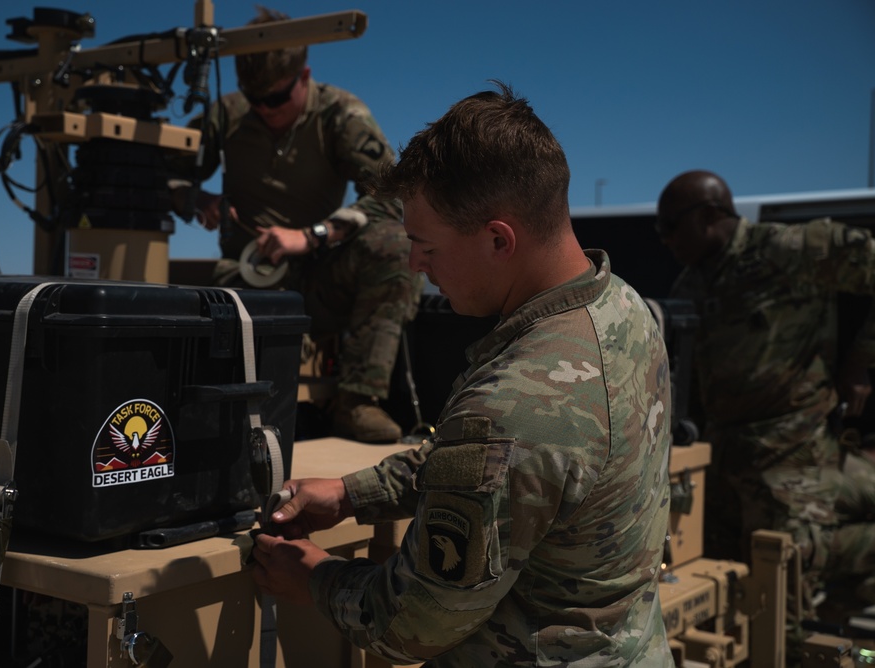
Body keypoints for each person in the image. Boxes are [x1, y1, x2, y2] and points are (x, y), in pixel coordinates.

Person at [249, 82, 675, 666]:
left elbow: (414, 625)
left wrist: (315, 577)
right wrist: (353, 494)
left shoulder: (516, 401)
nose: (416, 267)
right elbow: (494, 462)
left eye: (425, 246)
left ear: (499, 240)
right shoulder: (624, 308)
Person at [175, 7, 422, 443]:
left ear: (303, 76)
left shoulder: (340, 115)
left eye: (274, 98)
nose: (263, 109)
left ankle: (356, 402)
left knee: (397, 248)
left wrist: (312, 237)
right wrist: (195, 196)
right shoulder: (227, 114)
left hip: (319, 277)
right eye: (254, 100)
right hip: (245, 281)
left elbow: (390, 191)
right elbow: (164, 171)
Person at [656, 169, 875, 649]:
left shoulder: (794, 250)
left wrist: (861, 364)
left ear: (710, 216)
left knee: (782, 613)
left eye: (670, 226)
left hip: (790, 458)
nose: (664, 239)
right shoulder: (690, 285)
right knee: (720, 600)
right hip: (725, 465)